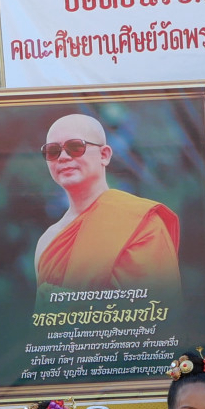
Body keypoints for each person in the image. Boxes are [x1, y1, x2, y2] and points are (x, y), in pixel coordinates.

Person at [32, 113, 181, 294]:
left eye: (75, 147)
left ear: (104, 155)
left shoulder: (140, 223)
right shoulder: (47, 241)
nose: (62, 157)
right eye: (53, 151)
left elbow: (159, 304)